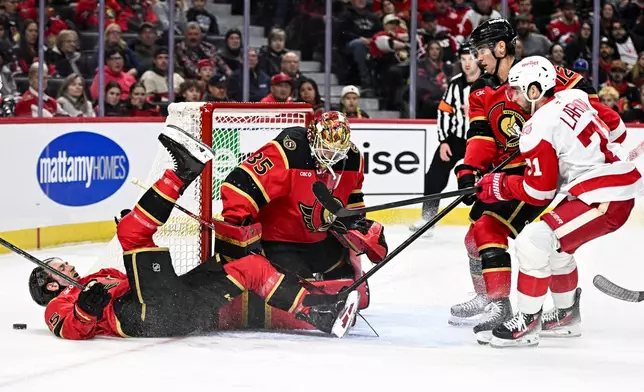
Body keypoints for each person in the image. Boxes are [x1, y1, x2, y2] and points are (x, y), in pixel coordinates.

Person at [29, 126, 360, 340]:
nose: (68, 267)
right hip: (142, 318)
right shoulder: (59, 303)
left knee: (250, 268)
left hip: (181, 309)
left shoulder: (101, 275)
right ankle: (181, 173)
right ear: (50, 284)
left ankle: (320, 314)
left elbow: (140, 279)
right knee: (131, 234)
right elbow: (70, 329)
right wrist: (86, 308)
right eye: (59, 268)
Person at [454, 18, 626, 343]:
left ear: (500, 47)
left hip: (541, 178)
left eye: (480, 51)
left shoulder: (544, 75)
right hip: (511, 177)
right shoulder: (481, 91)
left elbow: (594, 110)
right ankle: (499, 298)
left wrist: (607, 145)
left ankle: (501, 305)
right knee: (475, 239)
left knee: (495, 231)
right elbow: (481, 136)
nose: (477, 58)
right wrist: (470, 167)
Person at [476, 56, 643, 347]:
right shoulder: (574, 96)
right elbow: (616, 127)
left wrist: (500, 184)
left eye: (516, 89)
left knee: (532, 242)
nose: (511, 95)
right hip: (602, 188)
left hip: (605, 197)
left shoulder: (536, 127)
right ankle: (566, 315)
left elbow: (541, 191)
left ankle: (527, 323)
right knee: (555, 249)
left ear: (534, 90)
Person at [219, 111, 388, 322]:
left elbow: (353, 203)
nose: (330, 156)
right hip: (279, 241)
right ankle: (313, 312)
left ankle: (332, 306)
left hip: (319, 240)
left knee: (347, 282)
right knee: (303, 289)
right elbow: (238, 184)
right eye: (326, 148)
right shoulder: (288, 151)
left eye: (336, 151)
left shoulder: (353, 159)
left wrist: (359, 228)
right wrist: (239, 228)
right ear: (312, 137)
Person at [409, 44, 480, 240]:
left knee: (487, 181)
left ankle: (489, 221)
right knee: (433, 176)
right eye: (463, 59)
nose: (467, 63)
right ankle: (428, 219)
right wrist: (443, 141)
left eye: (470, 58)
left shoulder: (488, 82)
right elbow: (444, 112)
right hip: (456, 140)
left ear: (478, 59)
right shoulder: (455, 83)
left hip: (481, 141)